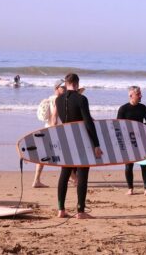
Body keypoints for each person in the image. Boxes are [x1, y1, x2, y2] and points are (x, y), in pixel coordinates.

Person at [53, 73, 103, 219]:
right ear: (76, 83)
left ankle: (61, 209)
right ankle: (80, 211)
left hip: (66, 140)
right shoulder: (82, 99)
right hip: (81, 140)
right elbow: (88, 122)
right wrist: (96, 144)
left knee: (64, 173)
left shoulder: (58, 100)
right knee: (82, 174)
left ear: (66, 83)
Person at [117, 86, 146, 196]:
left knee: (144, 164)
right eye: (138, 94)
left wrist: (139, 127)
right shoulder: (123, 109)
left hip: (141, 139)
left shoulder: (143, 108)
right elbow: (117, 126)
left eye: (140, 93)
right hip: (128, 141)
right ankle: (130, 188)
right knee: (129, 165)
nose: (141, 96)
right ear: (131, 95)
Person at [32, 79, 65, 188]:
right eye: (62, 87)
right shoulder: (58, 100)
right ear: (56, 88)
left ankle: (36, 180)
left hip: (48, 129)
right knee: (64, 155)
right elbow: (54, 118)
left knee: (43, 156)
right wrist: (55, 130)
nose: (64, 89)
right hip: (55, 130)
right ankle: (74, 178)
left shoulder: (51, 99)